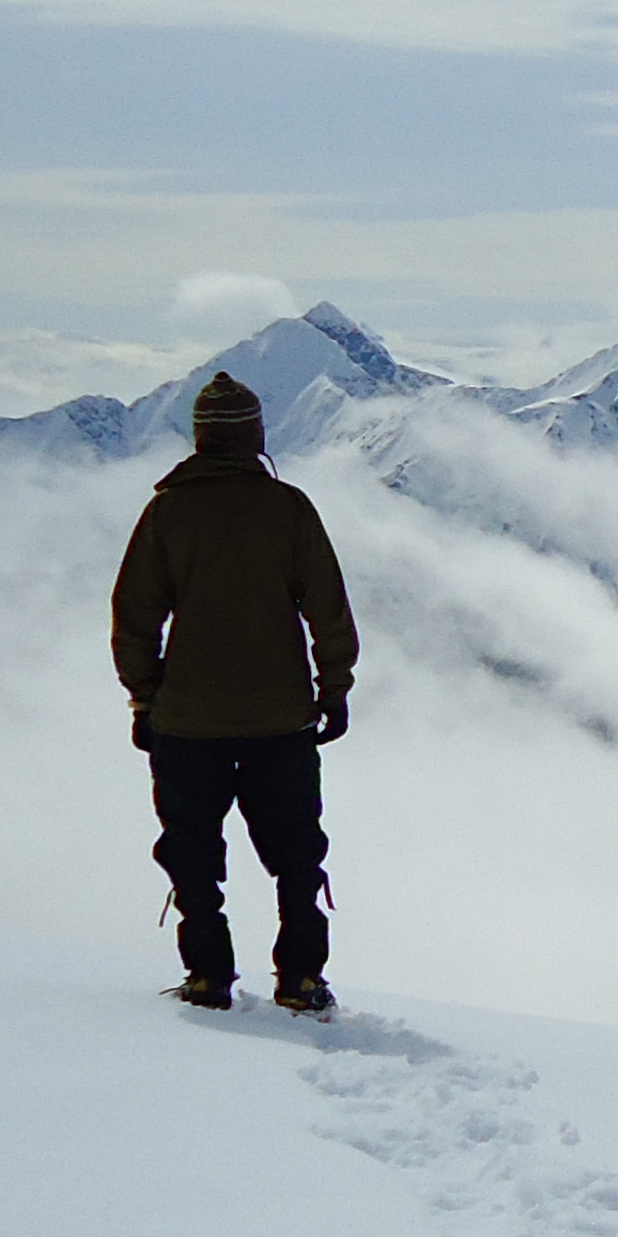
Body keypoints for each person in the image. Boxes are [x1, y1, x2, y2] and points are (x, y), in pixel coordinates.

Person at [111, 371, 358, 1013]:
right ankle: (301, 980)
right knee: (297, 857)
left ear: (199, 439)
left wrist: (144, 699)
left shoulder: (167, 512)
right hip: (282, 720)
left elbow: (134, 615)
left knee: (193, 857)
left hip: (187, 724)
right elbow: (327, 609)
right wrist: (333, 690)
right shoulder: (289, 508)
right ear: (255, 437)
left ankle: (208, 976)